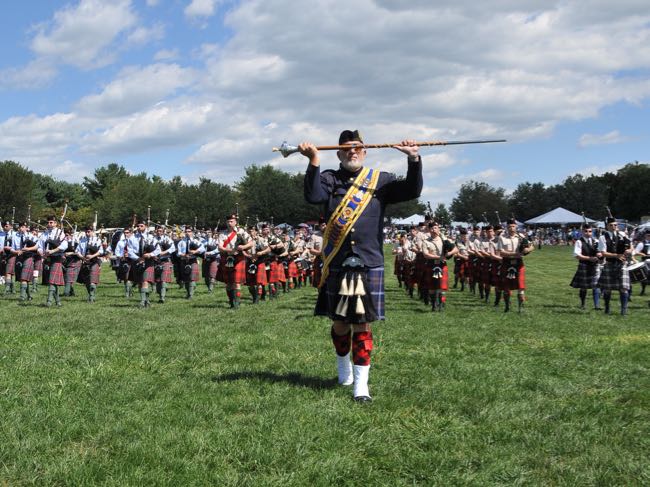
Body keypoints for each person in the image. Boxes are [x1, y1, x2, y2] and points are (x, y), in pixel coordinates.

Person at [301, 130, 422, 402]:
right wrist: (313, 161)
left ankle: (362, 387)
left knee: (364, 325)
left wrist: (414, 160)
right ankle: (343, 368)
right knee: (341, 323)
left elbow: (412, 191)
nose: (352, 152)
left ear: (364, 152)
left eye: (356, 148)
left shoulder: (381, 181)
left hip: (369, 263)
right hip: (338, 262)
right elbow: (312, 196)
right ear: (339, 153)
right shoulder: (329, 179)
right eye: (346, 149)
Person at [497, 218, 534, 312]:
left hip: (518, 263)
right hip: (506, 262)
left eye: (513, 226)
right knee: (506, 286)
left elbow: (532, 246)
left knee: (521, 286)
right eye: (509, 226)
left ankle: (520, 308)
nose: (511, 228)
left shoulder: (521, 236)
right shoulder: (502, 237)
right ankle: (507, 307)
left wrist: (527, 250)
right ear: (506, 227)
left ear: (516, 226)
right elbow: (501, 253)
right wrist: (514, 254)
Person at [597, 217, 632, 315]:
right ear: (607, 226)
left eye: (615, 225)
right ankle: (607, 308)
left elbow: (631, 246)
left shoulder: (623, 235)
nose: (613, 227)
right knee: (607, 288)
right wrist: (617, 255)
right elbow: (603, 253)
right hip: (610, 264)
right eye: (611, 225)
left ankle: (623, 310)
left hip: (622, 265)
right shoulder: (603, 237)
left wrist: (629, 250)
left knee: (624, 288)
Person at [218, 214, 253, 308]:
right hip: (227, 258)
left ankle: (236, 303)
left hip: (239, 258)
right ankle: (231, 301)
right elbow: (220, 247)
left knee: (236, 282)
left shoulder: (241, 232)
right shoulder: (222, 234)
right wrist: (230, 250)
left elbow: (251, 242)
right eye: (228, 221)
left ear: (235, 222)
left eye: (231, 221)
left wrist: (243, 247)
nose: (229, 223)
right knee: (229, 283)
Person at [569, 223, 602, 310]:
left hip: (595, 266)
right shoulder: (579, 242)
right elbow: (576, 255)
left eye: (590, 231)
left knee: (596, 285)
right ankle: (583, 304)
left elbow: (601, 252)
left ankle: (597, 305)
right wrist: (589, 258)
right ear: (582, 232)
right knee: (584, 286)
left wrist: (599, 255)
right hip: (584, 265)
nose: (588, 233)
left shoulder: (596, 241)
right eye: (586, 231)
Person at [39, 216, 68, 307]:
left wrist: (53, 251)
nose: (49, 224)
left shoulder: (60, 233)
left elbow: (65, 245)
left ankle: (49, 301)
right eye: (48, 222)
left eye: (51, 222)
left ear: (55, 223)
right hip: (47, 259)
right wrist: (42, 254)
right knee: (53, 281)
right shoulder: (44, 234)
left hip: (56, 258)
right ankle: (58, 301)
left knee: (52, 280)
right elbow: (39, 246)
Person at [76, 226, 104, 303]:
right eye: (86, 232)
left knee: (92, 282)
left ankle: (91, 297)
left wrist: (92, 256)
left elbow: (101, 251)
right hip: (85, 262)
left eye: (89, 231)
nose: (87, 233)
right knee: (87, 282)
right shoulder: (82, 240)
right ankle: (91, 295)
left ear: (92, 231)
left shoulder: (97, 240)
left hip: (94, 261)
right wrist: (82, 258)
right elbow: (77, 251)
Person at [176, 227, 205, 299]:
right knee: (186, 279)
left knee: (191, 278)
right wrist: (183, 255)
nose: (187, 233)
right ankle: (189, 292)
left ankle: (190, 294)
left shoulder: (195, 241)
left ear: (192, 232)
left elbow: (202, 248)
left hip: (193, 260)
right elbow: (178, 253)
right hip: (184, 261)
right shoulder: (181, 242)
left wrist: (195, 251)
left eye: (189, 231)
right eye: (186, 231)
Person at [153, 225, 176, 303]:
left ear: (163, 232)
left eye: (160, 231)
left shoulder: (167, 239)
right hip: (155, 262)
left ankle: (162, 297)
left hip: (165, 260)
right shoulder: (152, 239)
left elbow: (173, 248)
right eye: (158, 231)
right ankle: (161, 292)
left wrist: (163, 252)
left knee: (163, 280)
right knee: (157, 281)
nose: (159, 232)